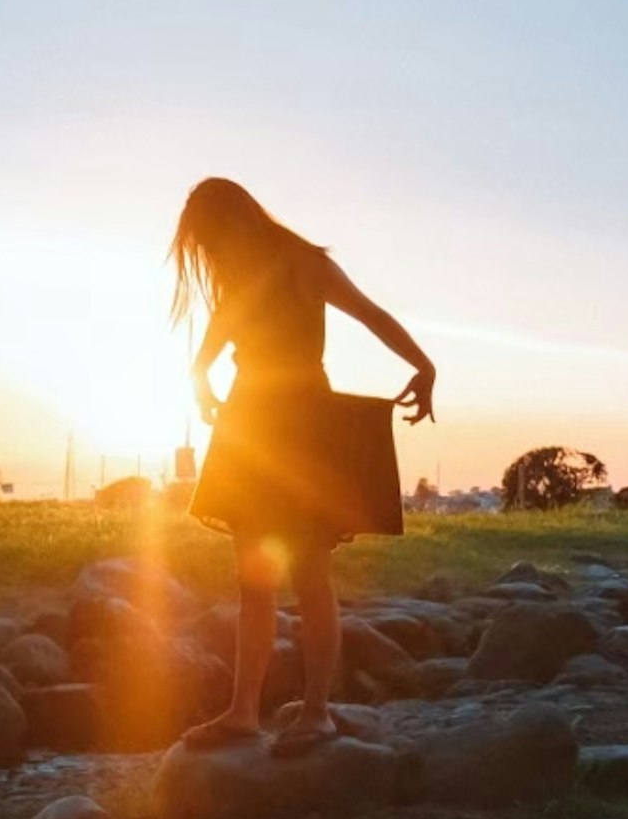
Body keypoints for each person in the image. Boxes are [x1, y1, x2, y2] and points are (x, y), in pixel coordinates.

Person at [171, 178, 437, 752]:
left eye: (211, 242)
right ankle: (243, 712)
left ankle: (318, 711)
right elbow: (220, 330)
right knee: (253, 581)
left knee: (309, 574)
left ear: (237, 222)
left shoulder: (301, 262)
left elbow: (369, 313)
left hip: (304, 424)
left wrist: (423, 364)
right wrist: (199, 377)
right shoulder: (238, 272)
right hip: (250, 425)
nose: (210, 256)